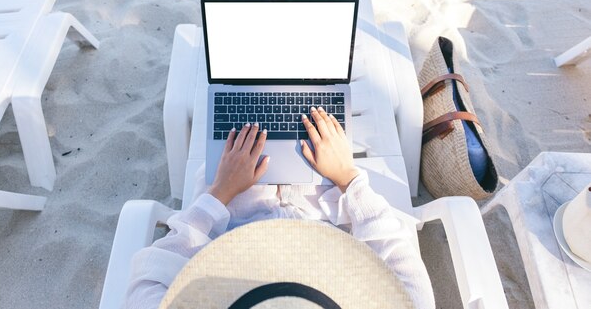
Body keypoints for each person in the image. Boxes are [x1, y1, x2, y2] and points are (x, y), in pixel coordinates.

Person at [125, 106, 435, 309]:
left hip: (231, 219)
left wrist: (220, 193)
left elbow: (150, 277)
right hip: (325, 224)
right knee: (317, 113)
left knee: (240, 123)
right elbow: (401, 262)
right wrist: (348, 178)